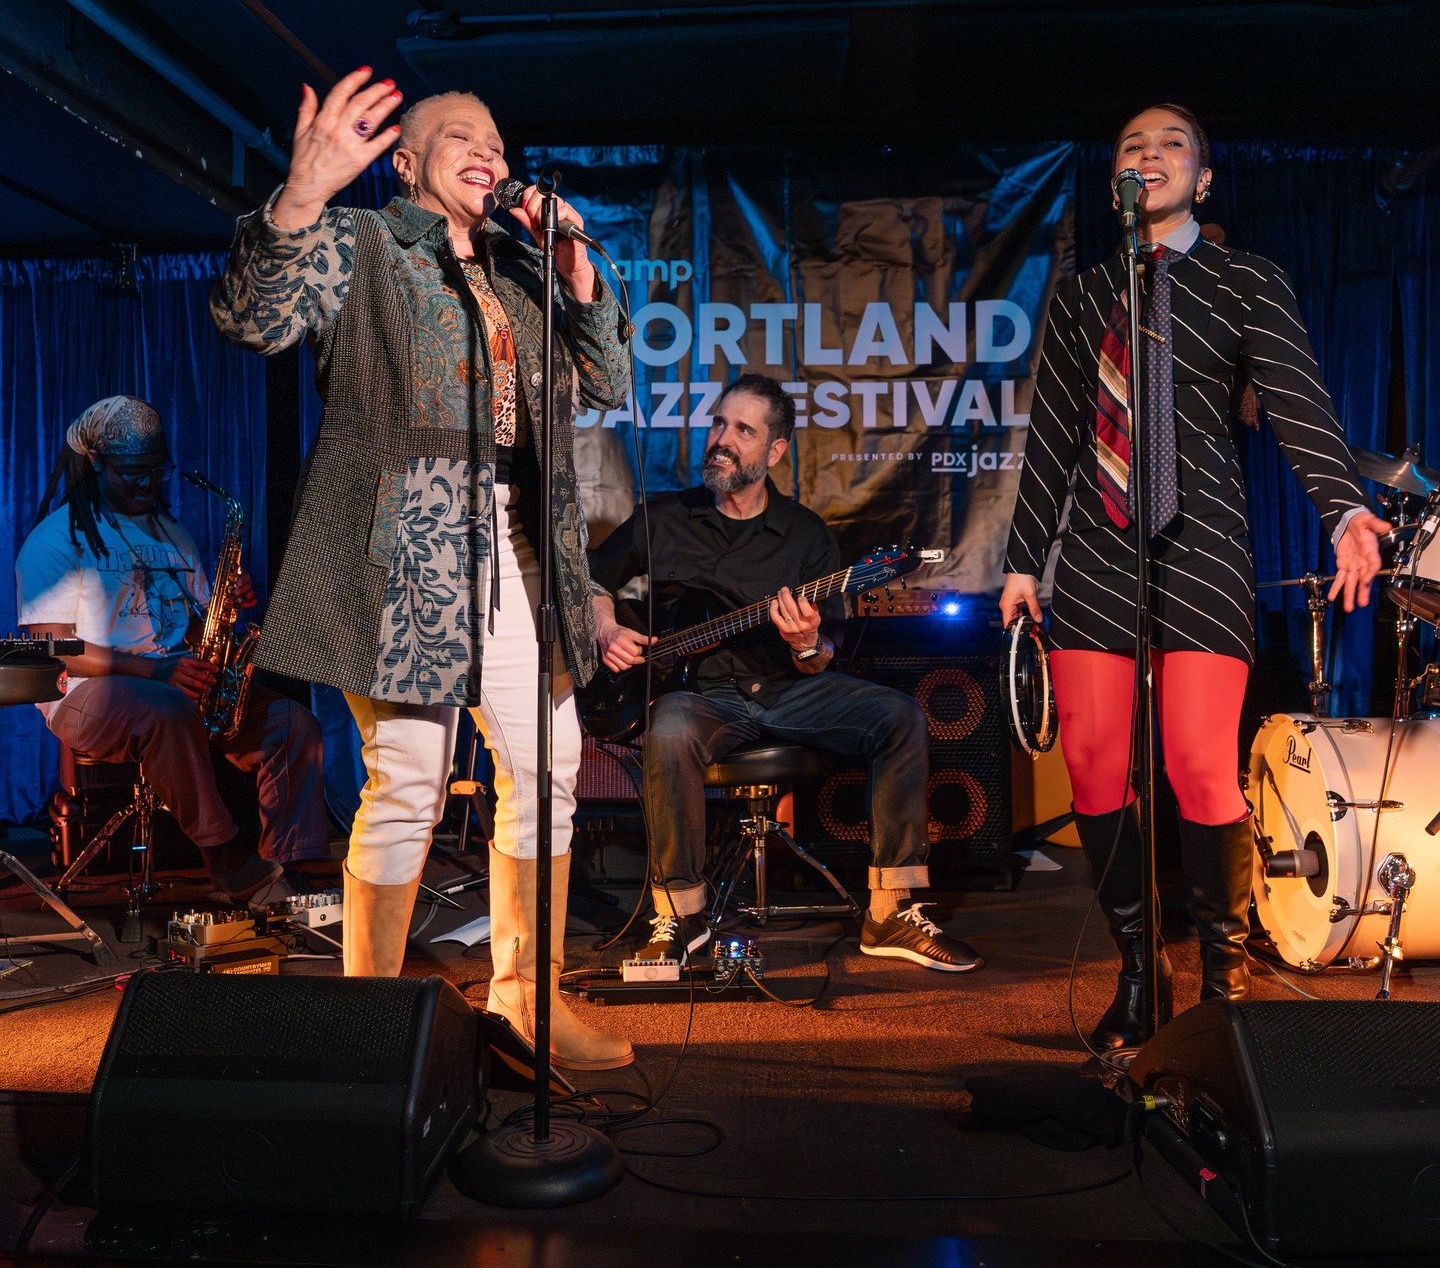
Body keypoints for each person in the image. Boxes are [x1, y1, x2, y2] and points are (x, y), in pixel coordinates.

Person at [210, 69, 634, 1073]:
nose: (484, 146)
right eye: (455, 135)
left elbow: (609, 381)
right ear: (403, 164)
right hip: (407, 543)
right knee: (408, 778)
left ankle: (531, 999)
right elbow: (251, 317)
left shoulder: (520, 267)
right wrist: (304, 196)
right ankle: (367, 1024)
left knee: (551, 768)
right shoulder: (361, 247)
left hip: (522, 542)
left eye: (493, 134)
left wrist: (576, 269)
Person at [999, 104, 1387, 1052]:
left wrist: (1342, 509)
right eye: (1133, 147)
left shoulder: (1245, 282)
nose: (1150, 156)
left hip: (1202, 540)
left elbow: (1298, 403)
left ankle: (1221, 967)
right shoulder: (1089, 296)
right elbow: (1053, 435)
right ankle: (1141, 969)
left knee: (1197, 764)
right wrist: (1021, 560)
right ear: (1116, 182)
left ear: (1202, 182)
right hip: (1096, 546)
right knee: (1094, 767)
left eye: (1171, 145)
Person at [590, 372, 983, 973]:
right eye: (719, 423)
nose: (722, 438)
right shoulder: (663, 517)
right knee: (668, 729)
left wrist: (804, 644)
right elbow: (590, 578)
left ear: (773, 452)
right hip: (701, 696)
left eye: (742, 430)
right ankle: (681, 913)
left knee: (898, 715)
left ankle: (890, 911)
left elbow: (822, 655)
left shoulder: (805, 538)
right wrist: (608, 628)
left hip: (789, 690)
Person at [15, 395, 329, 904]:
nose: (146, 484)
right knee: (166, 708)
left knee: (293, 724)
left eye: (155, 471)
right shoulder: (57, 539)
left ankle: (290, 867)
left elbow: (193, 626)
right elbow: (50, 644)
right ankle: (227, 861)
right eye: (131, 472)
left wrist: (228, 607)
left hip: (172, 685)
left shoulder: (174, 534)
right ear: (96, 462)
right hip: (85, 694)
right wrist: (155, 671)